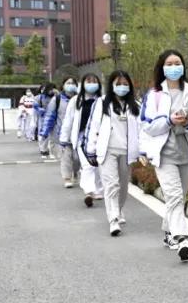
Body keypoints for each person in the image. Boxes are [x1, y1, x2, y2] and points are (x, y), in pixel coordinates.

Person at [140, 49, 188, 262]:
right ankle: (181, 238)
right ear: (162, 68)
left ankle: (168, 231)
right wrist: (169, 120)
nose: (174, 67)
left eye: (177, 63)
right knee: (173, 196)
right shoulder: (154, 94)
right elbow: (148, 126)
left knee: (177, 198)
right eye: (169, 64)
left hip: (187, 155)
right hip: (165, 155)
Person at [85, 70, 140, 236]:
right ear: (111, 85)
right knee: (111, 184)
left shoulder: (135, 105)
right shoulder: (102, 103)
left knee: (123, 186)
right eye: (118, 84)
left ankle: (119, 209)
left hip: (127, 151)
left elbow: (142, 129)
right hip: (107, 150)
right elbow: (93, 126)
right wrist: (91, 150)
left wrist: (143, 151)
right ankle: (113, 219)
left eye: (125, 84)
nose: (122, 87)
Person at [59, 73, 104, 207]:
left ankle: (97, 189)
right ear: (83, 84)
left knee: (97, 165)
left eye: (94, 81)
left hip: (98, 138)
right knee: (87, 164)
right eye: (88, 81)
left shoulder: (102, 100)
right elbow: (68, 120)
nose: (91, 84)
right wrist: (64, 138)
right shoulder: (75, 100)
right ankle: (89, 192)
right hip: (81, 138)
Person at [45, 77, 79, 187]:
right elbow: (50, 115)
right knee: (66, 156)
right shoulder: (57, 99)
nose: (70, 85)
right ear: (63, 85)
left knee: (77, 158)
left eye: (73, 83)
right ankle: (67, 178)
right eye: (68, 83)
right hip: (62, 134)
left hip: (78, 134)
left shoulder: (81, 98)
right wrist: (45, 131)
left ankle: (75, 172)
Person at [35, 83, 57, 158]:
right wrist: (41, 110)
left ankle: (52, 151)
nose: (51, 91)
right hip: (43, 119)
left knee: (53, 136)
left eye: (53, 89)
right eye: (50, 89)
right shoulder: (40, 97)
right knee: (44, 135)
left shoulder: (56, 97)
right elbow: (35, 106)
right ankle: (43, 150)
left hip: (54, 118)